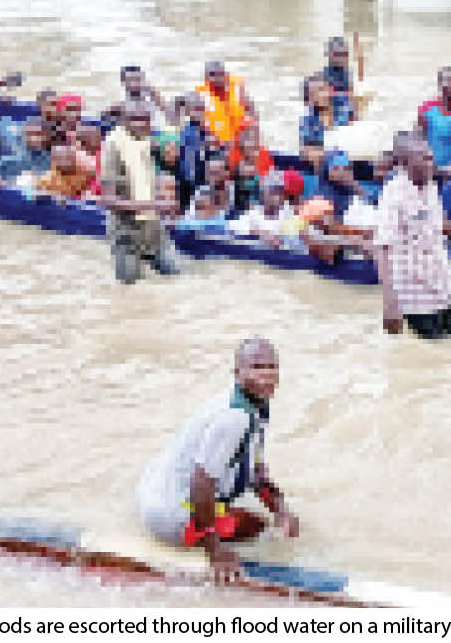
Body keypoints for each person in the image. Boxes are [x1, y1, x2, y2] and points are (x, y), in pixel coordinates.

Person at [136, 338, 300, 584]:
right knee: (257, 528)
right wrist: (215, 549)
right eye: (256, 367)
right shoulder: (235, 418)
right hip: (168, 514)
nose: (266, 374)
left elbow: (255, 469)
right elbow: (201, 482)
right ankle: (200, 538)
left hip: (153, 486)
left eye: (271, 366)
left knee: (271, 520)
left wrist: (281, 509)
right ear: (237, 373)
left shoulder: (252, 404)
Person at [374, 133, 451, 339]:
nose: (431, 163)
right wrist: (390, 303)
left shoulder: (430, 184)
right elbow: (382, 247)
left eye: (431, 157)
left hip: (444, 279)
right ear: (405, 164)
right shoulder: (393, 194)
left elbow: (437, 220)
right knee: (435, 349)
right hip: (415, 293)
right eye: (424, 158)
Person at [100, 100, 182, 284]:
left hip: (154, 227)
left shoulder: (145, 139)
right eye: (134, 119)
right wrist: (156, 205)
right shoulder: (113, 148)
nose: (141, 124)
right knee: (129, 287)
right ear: (122, 120)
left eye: (145, 119)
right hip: (126, 231)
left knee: (178, 277)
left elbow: (173, 129)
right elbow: (108, 200)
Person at [231, 172, 301, 247]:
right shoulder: (254, 212)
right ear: (263, 193)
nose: (274, 196)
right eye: (271, 191)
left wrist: (279, 239)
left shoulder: (290, 214)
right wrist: (254, 232)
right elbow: (234, 227)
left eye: (278, 191)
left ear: (283, 195)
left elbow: (295, 239)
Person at [197, 61, 256, 146]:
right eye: (211, 76)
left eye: (218, 75)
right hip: (217, 147)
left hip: (242, 142)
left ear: (225, 76)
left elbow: (253, 117)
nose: (215, 80)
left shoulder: (238, 88)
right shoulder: (202, 96)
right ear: (206, 80)